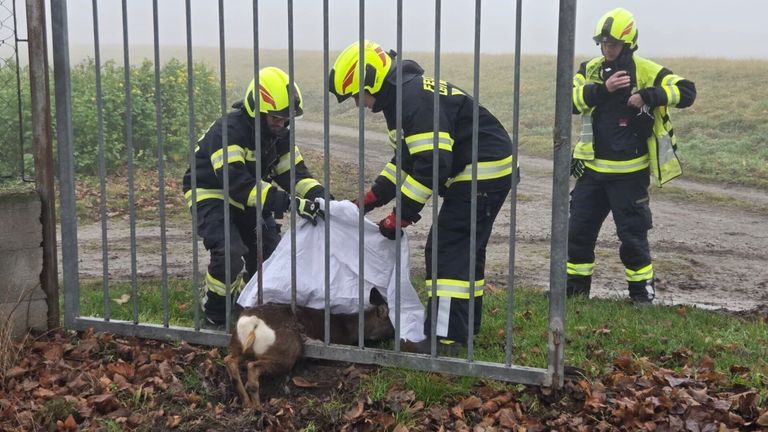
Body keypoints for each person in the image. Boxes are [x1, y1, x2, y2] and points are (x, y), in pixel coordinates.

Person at [328, 40, 515, 351]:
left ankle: (446, 339)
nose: (359, 103)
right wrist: (374, 197)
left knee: (446, 248)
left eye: (357, 95)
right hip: (486, 167)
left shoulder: (410, 100)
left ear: (371, 80)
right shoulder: (404, 95)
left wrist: (401, 214)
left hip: (482, 171)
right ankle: (464, 329)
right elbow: (407, 157)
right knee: (464, 250)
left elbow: (432, 165)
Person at [568, 8, 696, 302]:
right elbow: (570, 102)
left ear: (627, 44)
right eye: (602, 43)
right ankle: (574, 296)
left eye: (611, 44)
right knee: (578, 236)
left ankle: (641, 297)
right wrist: (603, 89)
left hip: (630, 177)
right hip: (592, 174)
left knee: (633, 240)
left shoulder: (646, 69)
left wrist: (650, 95)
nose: (606, 49)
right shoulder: (588, 69)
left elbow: (687, 92)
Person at [182, 66, 327, 326]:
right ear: (256, 111)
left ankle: (249, 305)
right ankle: (215, 312)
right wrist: (291, 203)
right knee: (229, 251)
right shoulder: (229, 131)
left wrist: (322, 197)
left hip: (250, 197)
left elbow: (293, 172)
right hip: (212, 192)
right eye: (275, 118)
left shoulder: (279, 133)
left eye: (286, 119)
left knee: (269, 257)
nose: (281, 124)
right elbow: (237, 184)